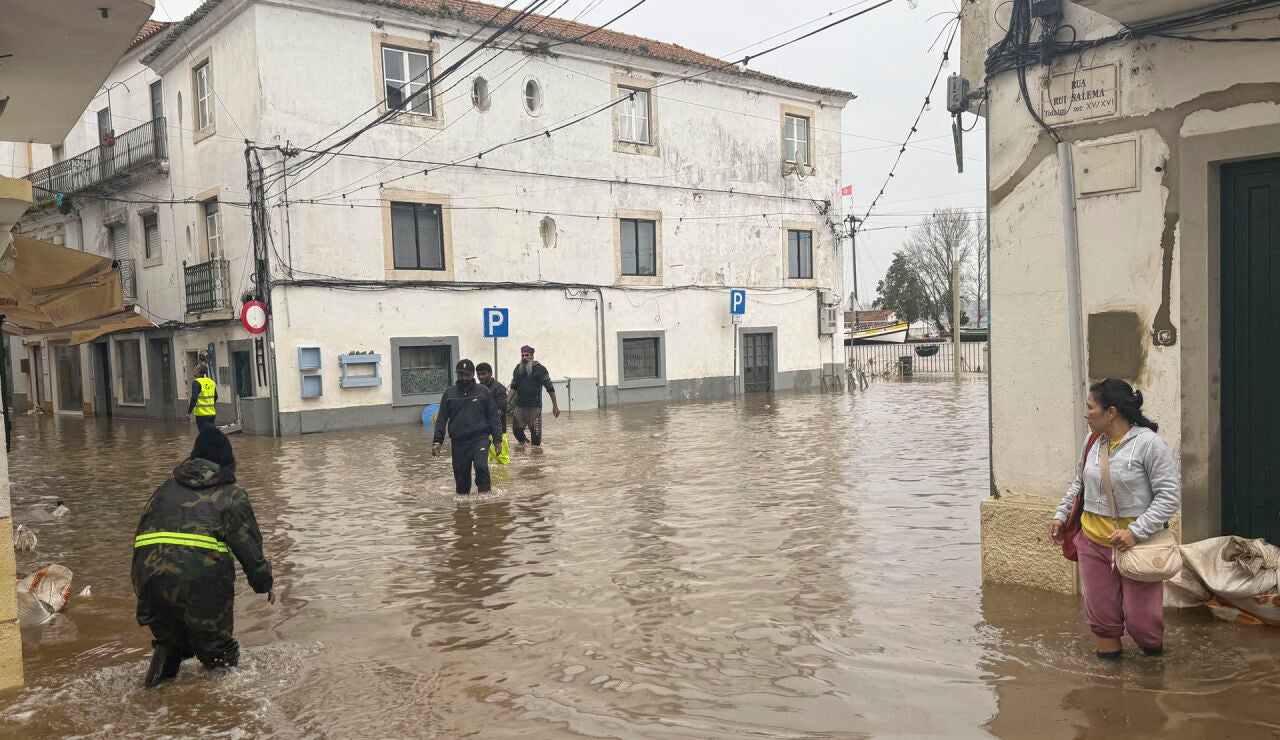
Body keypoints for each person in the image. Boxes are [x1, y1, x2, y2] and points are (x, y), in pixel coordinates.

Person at [132, 426, 274, 688]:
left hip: (148, 582)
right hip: (200, 586)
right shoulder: (231, 495)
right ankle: (219, 708)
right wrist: (264, 583)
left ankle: (149, 696)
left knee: (170, 645)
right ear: (227, 462)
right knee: (219, 653)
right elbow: (249, 549)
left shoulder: (164, 490)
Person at [1050, 378, 1180, 660]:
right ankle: (1108, 682)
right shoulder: (1092, 442)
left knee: (1143, 625)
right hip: (1092, 543)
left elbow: (1169, 497)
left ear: (1111, 412)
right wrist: (1062, 515)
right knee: (1102, 622)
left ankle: (1153, 674)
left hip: (1137, 546)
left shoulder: (1150, 445)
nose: (1086, 414)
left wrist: (1135, 532)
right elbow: (1079, 483)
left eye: (1090, 407)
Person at [432, 359, 503, 494]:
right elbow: (441, 419)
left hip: (480, 438)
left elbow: (494, 417)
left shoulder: (483, 392)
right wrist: (437, 441)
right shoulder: (449, 394)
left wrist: (497, 440)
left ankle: (485, 498)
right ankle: (463, 505)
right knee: (462, 482)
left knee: (481, 466)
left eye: (467, 375)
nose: (464, 378)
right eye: (461, 374)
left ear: (472, 375)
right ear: (457, 374)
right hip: (459, 442)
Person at [508, 345, 560, 446]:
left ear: (532, 356)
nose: (524, 357)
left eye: (527, 355)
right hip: (520, 406)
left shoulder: (540, 369)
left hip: (534, 407)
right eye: (522, 355)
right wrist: (507, 401)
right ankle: (523, 446)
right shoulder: (518, 369)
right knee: (516, 430)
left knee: (536, 438)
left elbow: (550, 388)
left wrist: (555, 406)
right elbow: (513, 386)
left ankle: (535, 453)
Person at [476, 362, 509, 464]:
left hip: (497, 433)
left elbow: (502, 409)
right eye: (479, 374)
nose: (481, 377)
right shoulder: (477, 389)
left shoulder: (498, 388)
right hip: (482, 433)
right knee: (482, 462)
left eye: (483, 374)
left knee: (503, 461)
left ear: (490, 373)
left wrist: (488, 421)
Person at [186, 364, 218, 430]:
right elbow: (216, 397)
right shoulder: (211, 382)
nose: (194, 370)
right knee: (211, 433)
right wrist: (209, 405)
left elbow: (194, 398)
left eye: (196, 369)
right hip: (212, 414)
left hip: (201, 415)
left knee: (204, 434)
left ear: (198, 371)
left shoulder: (196, 382)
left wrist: (189, 412)